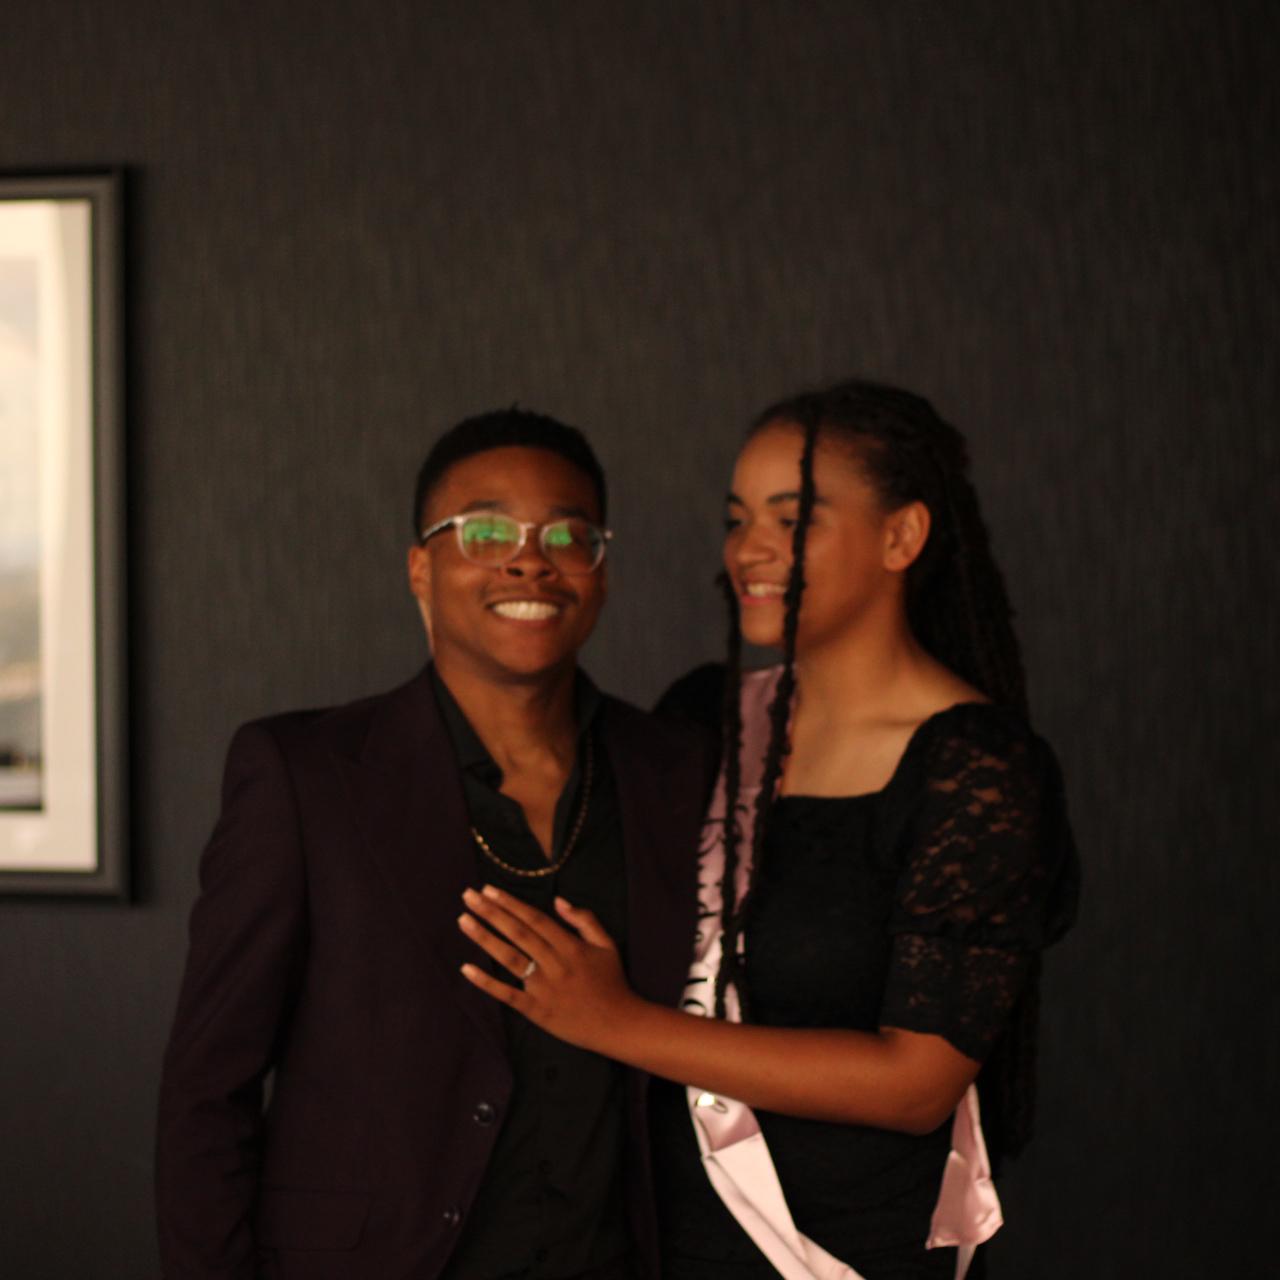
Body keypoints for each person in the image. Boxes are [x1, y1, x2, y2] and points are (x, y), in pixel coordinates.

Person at [458, 381, 1079, 1280]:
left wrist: (616, 1022)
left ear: (902, 536)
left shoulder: (977, 768)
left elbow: (917, 1084)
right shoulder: (703, 717)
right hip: (657, 1247)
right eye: (737, 518)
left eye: (793, 520)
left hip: (845, 1256)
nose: (748, 548)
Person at [156, 408, 714, 1280]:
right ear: (421, 568)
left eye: (567, 535)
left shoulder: (677, 769)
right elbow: (206, 1094)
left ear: (601, 575)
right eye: (486, 531)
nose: (530, 560)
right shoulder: (303, 776)